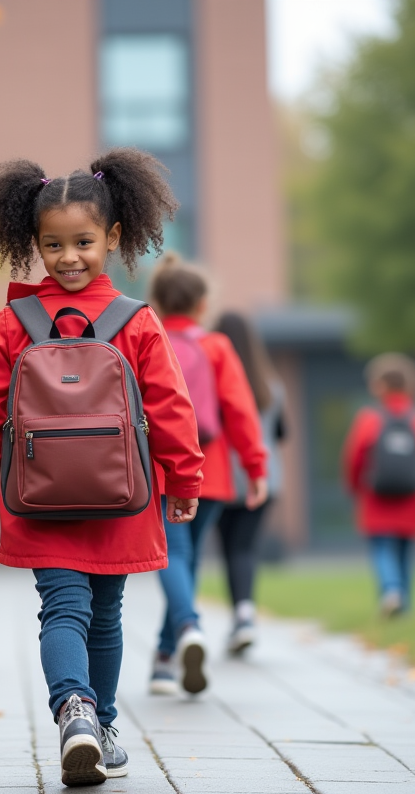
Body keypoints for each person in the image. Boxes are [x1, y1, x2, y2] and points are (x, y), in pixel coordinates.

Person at [0, 148, 204, 786]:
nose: (68, 257)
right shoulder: (137, 321)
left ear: (113, 237)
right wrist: (183, 477)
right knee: (104, 611)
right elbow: (170, 408)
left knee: (63, 608)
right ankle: (99, 720)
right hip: (123, 494)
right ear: (33, 244)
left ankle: (76, 709)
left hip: (39, 495)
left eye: (83, 243)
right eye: (53, 245)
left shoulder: (14, 323)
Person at [146, 258, 268, 694]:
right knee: (189, 560)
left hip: (158, 470)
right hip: (211, 473)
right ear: (202, 305)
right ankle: (166, 656)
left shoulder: (147, 339)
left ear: (157, 302)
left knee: (172, 556)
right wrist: (255, 467)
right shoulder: (216, 347)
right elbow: (240, 410)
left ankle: (182, 633)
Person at [341, 353, 415, 617]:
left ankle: (391, 591)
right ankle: (404, 604)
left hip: (376, 499)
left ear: (379, 386)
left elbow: (353, 457)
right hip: (411, 499)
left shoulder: (369, 419)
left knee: (382, 548)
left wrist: (354, 486)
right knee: (405, 553)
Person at [213, 311, 287, 657]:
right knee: (245, 549)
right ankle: (244, 615)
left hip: (223, 477)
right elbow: (282, 432)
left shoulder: (212, 378)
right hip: (264, 479)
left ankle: (240, 617)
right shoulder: (271, 386)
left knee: (230, 550)